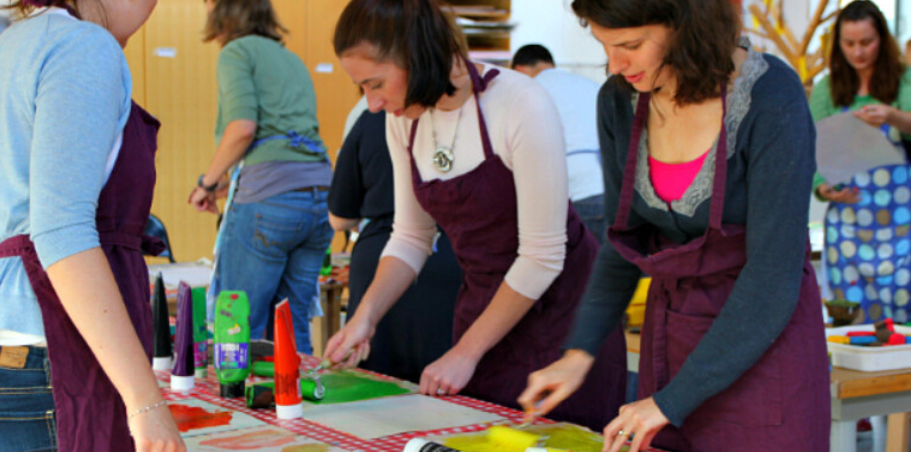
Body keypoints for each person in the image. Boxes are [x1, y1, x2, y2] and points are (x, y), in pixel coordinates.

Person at [519, 1, 830, 451]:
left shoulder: (771, 96)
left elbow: (772, 277)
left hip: (764, 351)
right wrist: (578, 352)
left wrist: (669, 402)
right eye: (604, 45)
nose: (615, 63)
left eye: (630, 45)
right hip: (672, 343)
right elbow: (621, 241)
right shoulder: (618, 101)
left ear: (689, 24)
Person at [323, 0, 626, 430]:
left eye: (376, 84)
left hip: (563, 316)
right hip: (483, 311)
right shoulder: (402, 122)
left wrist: (465, 352)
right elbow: (410, 237)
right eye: (363, 90)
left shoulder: (519, 103)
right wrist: (364, 318)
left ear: (416, 56)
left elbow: (542, 256)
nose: (371, 104)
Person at [0, 1, 185, 451]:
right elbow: (62, 234)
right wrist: (145, 402)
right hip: (51, 350)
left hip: (7, 348)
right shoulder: (82, 46)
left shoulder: (3, 48)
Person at [189, 0, 333, 354]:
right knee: (291, 323)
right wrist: (228, 183)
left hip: (270, 202)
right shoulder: (291, 59)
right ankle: (294, 405)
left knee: (238, 324)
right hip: (319, 198)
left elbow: (242, 128)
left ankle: (234, 407)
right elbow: (283, 140)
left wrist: (207, 183)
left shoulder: (235, 52)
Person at [328, 106, 462, 383]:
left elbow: (340, 217)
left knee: (383, 393)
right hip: (441, 257)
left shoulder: (370, 119)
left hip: (389, 251)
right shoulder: (391, 119)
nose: (375, 100)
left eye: (374, 84)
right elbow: (410, 235)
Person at [810, 0, 911, 204]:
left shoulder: (904, 79)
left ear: (882, 39)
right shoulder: (826, 89)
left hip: (902, 209)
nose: (858, 52)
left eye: (866, 42)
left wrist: (893, 116)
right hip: (847, 216)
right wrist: (822, 185)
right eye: (849, 43)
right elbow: (812, 147)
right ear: (838, 43)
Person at [512, 44, 606, 242]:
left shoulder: (528, 92)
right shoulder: (591, 85)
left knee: (579, 269)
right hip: (614, 192)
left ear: (519, 71)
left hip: (575, 194)